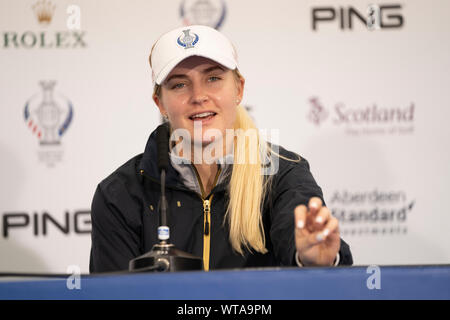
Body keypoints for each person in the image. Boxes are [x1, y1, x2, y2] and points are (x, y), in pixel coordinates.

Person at [89, 25, 353, 273]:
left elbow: (309, 260)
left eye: (213, 78)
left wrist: (313, 261)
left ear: (239, 88)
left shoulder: (284, 174)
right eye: (179, 84)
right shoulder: (119, 193)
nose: (198, 96)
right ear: (160, 102)